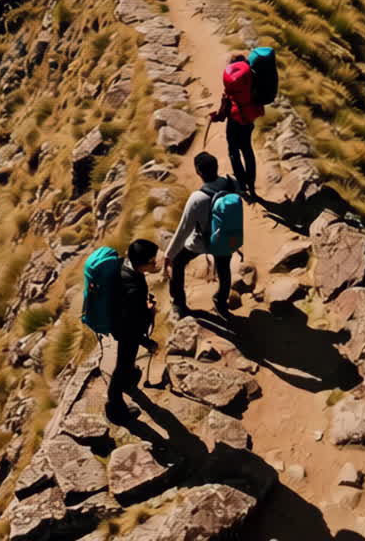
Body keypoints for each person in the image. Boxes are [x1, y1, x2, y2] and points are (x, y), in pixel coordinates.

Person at [164, 151, 240, 319]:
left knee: (178, 261)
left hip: (202, 242)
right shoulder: (231, 183)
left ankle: (179, 303)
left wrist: (168, 254)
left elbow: (183, 229)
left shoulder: (197, 198)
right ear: (217, 167)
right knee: (224, 269)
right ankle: (221, 302)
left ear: (198, 171)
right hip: (227, 239)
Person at [106, 238, 159, 424]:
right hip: (126, 331)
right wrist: (147, 342)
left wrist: (144, 306)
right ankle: (115, 407)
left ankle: (128, 380)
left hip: (119, 323)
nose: (155, 263)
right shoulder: (134, 288)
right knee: (122, 365)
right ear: (142, 263)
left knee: (126, 363)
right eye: (152, 261)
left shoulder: (124, 266)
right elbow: (132, 325)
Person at [220, 53, 264, 200]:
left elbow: (226, 103)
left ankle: (241, 183)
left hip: (235, 119)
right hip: (249, 118)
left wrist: (218, 115)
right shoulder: (253, 78)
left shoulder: (234, 81)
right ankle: (251, 185)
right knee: (247, 149)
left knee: (233, 150)